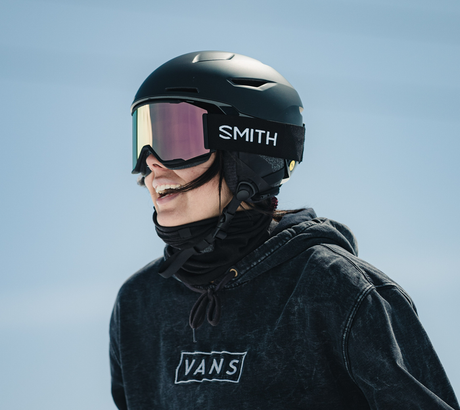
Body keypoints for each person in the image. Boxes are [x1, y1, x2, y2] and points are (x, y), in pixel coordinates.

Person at [110, 51, 459, 410]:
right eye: (144, 138)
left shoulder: (338, 291)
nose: (150, 162)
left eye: (177, 139)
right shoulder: (140, 302)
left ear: (247, 151)